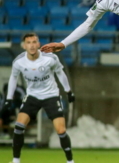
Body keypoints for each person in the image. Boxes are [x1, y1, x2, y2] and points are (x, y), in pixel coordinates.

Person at [2, 33, 75, 163]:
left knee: (61, 130)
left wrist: (68, 91)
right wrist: (9, 98)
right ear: (24, 46)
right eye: (29, 43)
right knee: (19, 126)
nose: (32, 45)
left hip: (51, 95)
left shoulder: (50, 58)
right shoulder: (18, 62)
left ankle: (70, 161)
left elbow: (60, 73)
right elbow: (13, 79)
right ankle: (16, 160)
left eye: (34, 42)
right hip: (32, 96)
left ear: (39, 44)